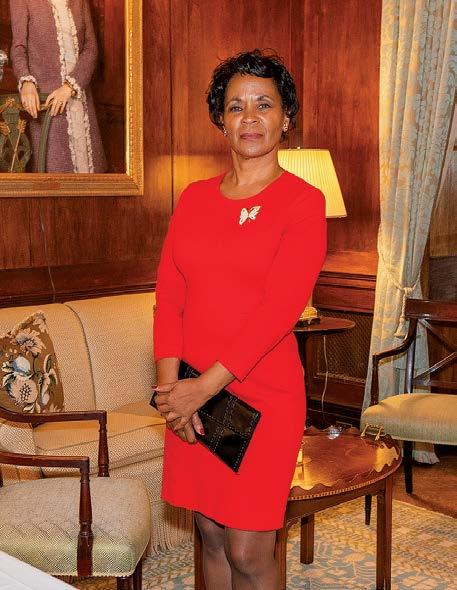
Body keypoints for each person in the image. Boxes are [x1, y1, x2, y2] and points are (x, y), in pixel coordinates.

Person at [153, 49, 326, 589]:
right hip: (192, 392)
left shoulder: (303, 202)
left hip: (261, 396)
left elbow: (279, 310)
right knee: (209, 534)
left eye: (263, 104)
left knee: (248, 549)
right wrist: (171, 394)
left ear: (286, 118)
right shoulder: (193, 198)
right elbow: (169, 298)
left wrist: (200, 390)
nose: (249, 117)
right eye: (235, 106)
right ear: (221, 121)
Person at [9, 0, 106, 172]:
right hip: (49, 104)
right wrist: (26, 81)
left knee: (91, 178)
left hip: (80, 99)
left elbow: (91, 48)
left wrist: (70, 87)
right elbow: (18, 47)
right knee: (55, 177)